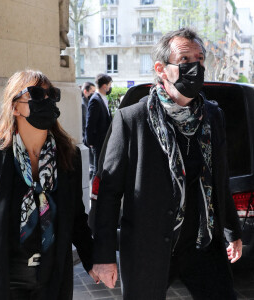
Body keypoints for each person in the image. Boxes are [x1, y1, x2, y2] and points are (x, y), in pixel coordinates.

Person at [92, 28, 242, 300]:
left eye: (199, 58)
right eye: (184, 60)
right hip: (148, 249)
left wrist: (232, 230)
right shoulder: (132, 120)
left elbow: (220, 179)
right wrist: (103, 255)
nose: (194, 66)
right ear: (161, 69)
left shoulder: (213, 116)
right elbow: (108, 194)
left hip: (203, 244)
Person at [0, 70, 98, 300]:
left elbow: (76, 217)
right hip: (6, 276)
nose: (46, 101)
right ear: (15, 107)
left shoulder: (69, 155)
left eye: (51, 95)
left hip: (51, 276)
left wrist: (92, 261)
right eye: (36, 95)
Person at [85, 74, 112, 181]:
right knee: (97, 170)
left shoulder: (102, 98)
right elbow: (90, 123)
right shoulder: (95, 100)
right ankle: (94, 195)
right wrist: (90, 141)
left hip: (104, 140)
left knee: (101, 168)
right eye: (109, 85)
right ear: (104, 86)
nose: (110, 87)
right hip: (98, 141)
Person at [81, 82, 96, 179]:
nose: (94, 94)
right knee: (92, 166)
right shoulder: (83, 104)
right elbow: (85, 123)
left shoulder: (86, 102)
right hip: (86, 138)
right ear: (85, 91)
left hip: (87, 137)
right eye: (92, 91)